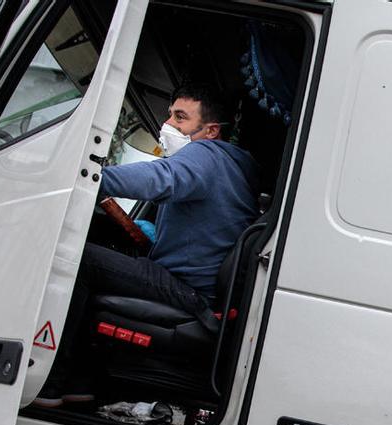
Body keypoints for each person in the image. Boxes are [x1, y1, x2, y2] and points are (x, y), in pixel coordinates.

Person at [34, 84, 259, 407]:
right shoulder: (234, 167)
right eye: (169, 115)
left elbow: (160, 178)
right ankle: (81, 383)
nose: (167, 125)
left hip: (186, 290)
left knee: (75, 258)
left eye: (180, 118)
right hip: (196, 289)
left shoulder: (206, 155)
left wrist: (85, 177)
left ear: (211, 131)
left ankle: (51, 382)